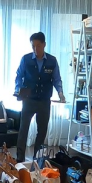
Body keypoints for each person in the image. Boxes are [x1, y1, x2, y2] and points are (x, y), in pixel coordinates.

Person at [14, 32, 66, 162]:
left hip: (44, 101)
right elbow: (19, 76)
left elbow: (57, 79)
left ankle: (37, 159)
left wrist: (60, 93)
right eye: (33, 46)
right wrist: (18, 90)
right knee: (23, 129)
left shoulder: (52, 61)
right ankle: (20, 159)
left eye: (38, 46)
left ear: (44, 45)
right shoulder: (26, 59)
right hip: (28, 100)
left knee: (42, 131)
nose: (35, 49)